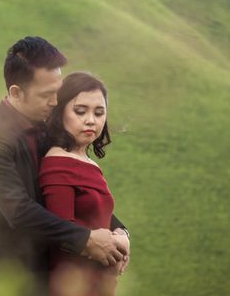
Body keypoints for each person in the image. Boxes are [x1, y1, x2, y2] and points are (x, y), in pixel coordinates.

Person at [0, 37, 130, 296]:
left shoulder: (47, 129)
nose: (56, 102)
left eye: (57, 91)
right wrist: (86, 240)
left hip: (51, 278)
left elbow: (80, 191)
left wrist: (119, 231)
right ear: (16, 93)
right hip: (8, 281)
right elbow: (19, 211)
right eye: (46, 95)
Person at [39, 72, 130, 296]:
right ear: (60, 114)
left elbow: (98, 217)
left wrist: (122, 236)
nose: (91, 120)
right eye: (80, 111)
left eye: (99, 113)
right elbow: (62, 235)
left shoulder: (88, 163)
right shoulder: (57, 162)